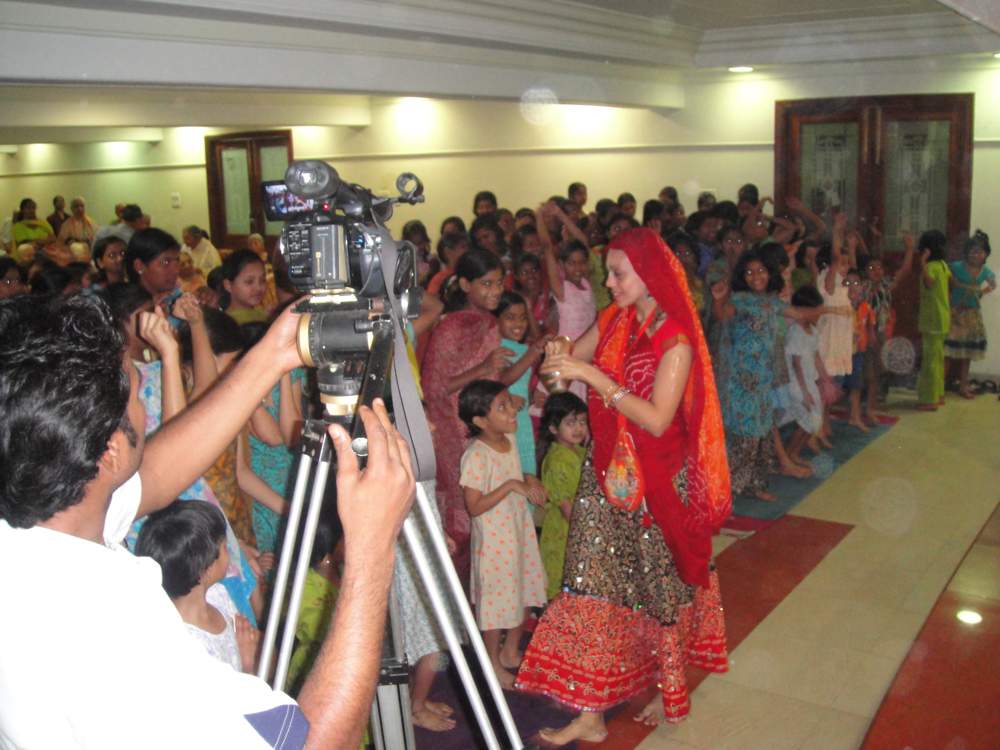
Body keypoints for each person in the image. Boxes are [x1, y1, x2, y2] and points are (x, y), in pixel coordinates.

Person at [0, 291, 417, 749]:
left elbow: (155, 473)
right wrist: (371, 549)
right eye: (138, 395)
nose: (145, 407)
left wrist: (273, 355)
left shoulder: (36, 517)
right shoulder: (109, 639)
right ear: (109, 452)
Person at [516, 228, 731, 743]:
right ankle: (590, 711)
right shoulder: (616, 319)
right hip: (606, 473)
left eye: (618, 273)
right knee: (590, 583)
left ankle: (668, 689)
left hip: (656, 483)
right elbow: (561, 378)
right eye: (607, 273)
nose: (608, 283)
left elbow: (657, 420)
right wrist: (556, 357)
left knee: (657, 589)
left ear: (649, 275)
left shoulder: (674, 338)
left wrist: (590, 376)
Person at [421, 249, 512, 585]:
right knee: (461, 522)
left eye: (500, 283)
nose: (495, 291)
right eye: (486, 284)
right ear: (465, 284)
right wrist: (484, 368)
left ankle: (484, 609)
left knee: (488, 520)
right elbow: (434, 387)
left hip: (485, 430)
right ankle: (456, 612)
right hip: (453, 435)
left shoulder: (489, 323)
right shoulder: (452, 326)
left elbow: (492, 381)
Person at [458, 380, 547, 689]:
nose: (513, 411)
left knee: (523, 592)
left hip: (517, 534)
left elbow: (515, 475)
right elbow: (474, 506)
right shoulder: (476, 455)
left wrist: (529, 480)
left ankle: (510, 652)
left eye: (510, 404)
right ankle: (491, 665)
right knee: (496, 607)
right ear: (480, 421)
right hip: (496, 544)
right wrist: (511, 486)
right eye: (502, 407)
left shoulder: (508, 442)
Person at [136, 500, 259, 674]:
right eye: (225, 547)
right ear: (206, 568)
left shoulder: (219, 595)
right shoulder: (187, 645)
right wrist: (247, 663)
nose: (230, 551)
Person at [536, 391, 588, 600]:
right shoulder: (557, 460)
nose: (578, 428)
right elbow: (567, 509)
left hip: (582, 526)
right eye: (571, 422)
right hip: (567, 532)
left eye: (582, 422)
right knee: (563, 584)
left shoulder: (580, 452)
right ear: (553, 428)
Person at [944, 230, 995, 398]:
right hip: (956, 314)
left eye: (980, 251)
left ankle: (963, 386)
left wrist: (982, 292)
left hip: (973, 315)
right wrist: (953, 288)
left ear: (986, 254)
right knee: (948, 352)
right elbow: (946, 277)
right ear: (967, 252)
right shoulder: (956, 266)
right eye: (973, 251)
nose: (976, 254)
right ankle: (939, 386)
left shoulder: (986, 271)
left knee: (967, 354)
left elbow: (993, 284)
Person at [916, 230, 952, 411]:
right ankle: (938, 395)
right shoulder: (943, 265)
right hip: (942, 318)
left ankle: (929, 399)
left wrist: (922, 263)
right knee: (937, 358)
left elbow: (929, 283)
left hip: (932, 320)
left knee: (930, 361)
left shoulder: (931, 267)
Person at [125, 227, 181, 306]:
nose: (176, 271)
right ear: (139, 266)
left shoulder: (175, 298)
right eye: (165, 262)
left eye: (177, 260)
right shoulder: (132, 311)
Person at [222, 249, 269, 324]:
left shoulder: (263, 315)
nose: (258, 288)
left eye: (262, 280)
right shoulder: (227, 324)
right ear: (228, 285)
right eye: (249, 281)